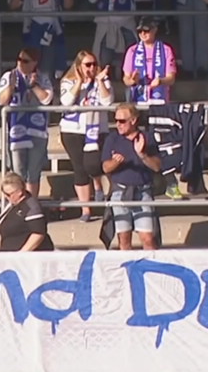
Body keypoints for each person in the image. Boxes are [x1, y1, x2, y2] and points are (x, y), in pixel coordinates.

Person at [61, 51, 113, 223]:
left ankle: (98, 184)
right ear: (79, 66)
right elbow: (66, 102)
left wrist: (99, 81)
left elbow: (107, 102)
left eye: (93, 64)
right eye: (87, 65)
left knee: (93, 165)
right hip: (73, 130)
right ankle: (86, 209)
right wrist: (79, 83)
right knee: (80, 168)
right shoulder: (68, 81)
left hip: (97, 129)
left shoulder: (102, 80)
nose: (91, 68)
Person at [102, 103, 163, 250]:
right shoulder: (112, 139)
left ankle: (152, 270)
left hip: (143, 192)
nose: (118, 124)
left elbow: (157, 166)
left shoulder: (147, 138)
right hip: (119, 193)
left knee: (148, 239)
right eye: (115, 120)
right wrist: (115, 162)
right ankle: (127, 272)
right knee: (124, 240)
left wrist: (142, 155)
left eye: (122, 121)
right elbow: (105, 168)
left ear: (133, 120)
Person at [0, 47, 54, 198]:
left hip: (37, 130)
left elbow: (47, 99)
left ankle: (32, 204)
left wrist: (34, 86)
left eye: (25, 61)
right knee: (17, 172)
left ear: (35, 62)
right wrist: (11, 86)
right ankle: (18, 206)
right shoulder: (9, 75)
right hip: (16, 131)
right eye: (19, 59)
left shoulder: (42, 77)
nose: (20, 63)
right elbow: (1, 100)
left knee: (34, 173)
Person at [11, 0, 75, 77]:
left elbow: (68, 5)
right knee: (30, 68)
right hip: (32, 31)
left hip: (51, 32)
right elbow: (13, 5)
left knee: (46, 69)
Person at [0, 172, 54, 251]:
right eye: (4, 193)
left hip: (29, 257)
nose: (5, 197)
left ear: (19, 192)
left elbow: (38, 233)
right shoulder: (11, 205)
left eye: (8, 194)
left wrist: (21, 253)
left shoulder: (31, 206)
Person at [122, 18, 177, 104]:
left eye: (146, 30)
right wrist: (131, 81)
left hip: (160, 99)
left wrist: (161, 81)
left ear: (154, 30)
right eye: (140, 31)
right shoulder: (132, 50)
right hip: (138, 99)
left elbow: (171, 78)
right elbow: (126, 78)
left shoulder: (166, 49)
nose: (143, 33)